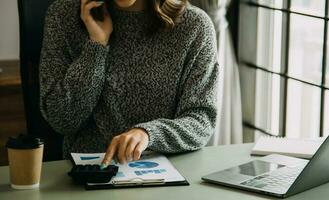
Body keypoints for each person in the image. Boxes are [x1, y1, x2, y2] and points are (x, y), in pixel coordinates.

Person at [39, 0, 218, 167]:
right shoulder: (63, 16)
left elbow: (201, 120)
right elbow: (62, 119)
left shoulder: (195, 26)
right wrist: (96, 46)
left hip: (164, 175)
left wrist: (148, 134)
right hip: (89, 175)